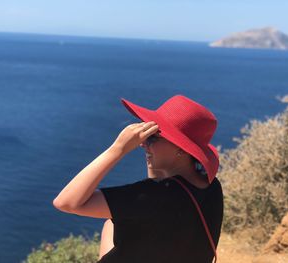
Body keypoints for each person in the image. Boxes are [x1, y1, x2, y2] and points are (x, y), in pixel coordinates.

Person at [53, 95, 224, 263]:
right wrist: (153, 153)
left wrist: (118, 149)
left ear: (182, 149)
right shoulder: (212, 186)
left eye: (152, 137)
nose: (143, 143)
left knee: (111, 223)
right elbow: (161, 190)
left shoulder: (151, 198)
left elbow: (66, 202)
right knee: (111, 223)